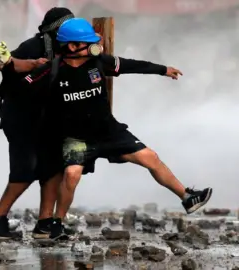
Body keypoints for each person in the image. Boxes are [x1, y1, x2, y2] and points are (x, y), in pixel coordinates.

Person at [21, 18, 214, 240]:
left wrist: (163, 70)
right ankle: (57, 223)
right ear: (72, 47)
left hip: (109, 132)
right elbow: (21, 87)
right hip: (76, 138)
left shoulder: (99, 62)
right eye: (88, 42)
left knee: (150, 157)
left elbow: (131, 65)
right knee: (72, 175)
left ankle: (187, 197)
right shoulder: (51, 70)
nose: (95, 46)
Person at [0, 7, 94, 240]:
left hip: (46, 119)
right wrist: (34, 64)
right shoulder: (33, 47)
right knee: (25, 171)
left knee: (52, 168)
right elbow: (5, 64)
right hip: (20, 118)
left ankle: (44, 223)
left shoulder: (70, 48)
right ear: (55, 31)